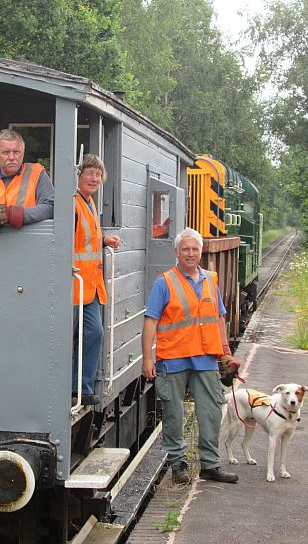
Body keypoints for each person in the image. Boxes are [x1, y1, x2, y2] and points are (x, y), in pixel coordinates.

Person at [141, 228, 238, 485]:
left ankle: (210, 465)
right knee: (173, 414)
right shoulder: (164, 283)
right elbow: (150, 322)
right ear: (176, 253)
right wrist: (147, 359)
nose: (191, 254)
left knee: (211, 410)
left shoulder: (210, 279)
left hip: (205, 357)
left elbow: (218, 316)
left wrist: (225, 352)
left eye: (195, 249)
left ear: (201, 252)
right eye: (186, 249)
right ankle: (178, 464)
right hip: (173, 358)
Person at [72, 154, 121, 406]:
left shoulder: (89, 203)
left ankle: (81, 387)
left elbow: (84, 241)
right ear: (78, 175)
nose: (94, 178)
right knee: (68, 335)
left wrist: (104, 241)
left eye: (98, 175)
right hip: (71, 285)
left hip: (89, 286)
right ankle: (71, 388)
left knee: (94, 332)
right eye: (89, 173)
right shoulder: (73, 204)